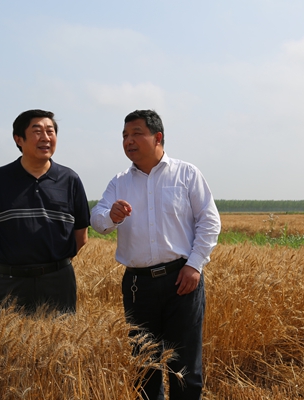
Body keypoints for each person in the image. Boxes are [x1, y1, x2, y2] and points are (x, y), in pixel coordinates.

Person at [91, 110, 221, 399]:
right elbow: (97, 220)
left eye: (136, 134)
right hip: (138, 286)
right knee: (144, 368)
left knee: (185, 369)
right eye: (125, 135)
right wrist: (111, 216)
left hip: (182, 280)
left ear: (157, 137)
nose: (128, 141)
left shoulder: (187, 174)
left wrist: (194, 265)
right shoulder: (119, 182)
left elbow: (210, 221)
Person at [0, 109, 90, 313]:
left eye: (50, 131)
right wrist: (13, 266)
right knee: (5, 334)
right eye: (37, 131)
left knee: (61, 334)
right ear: (19, 139)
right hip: (8, 282)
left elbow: (81, 236)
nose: (46, 138)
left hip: (58, 282)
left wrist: (52, 267)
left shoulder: (70, 180)